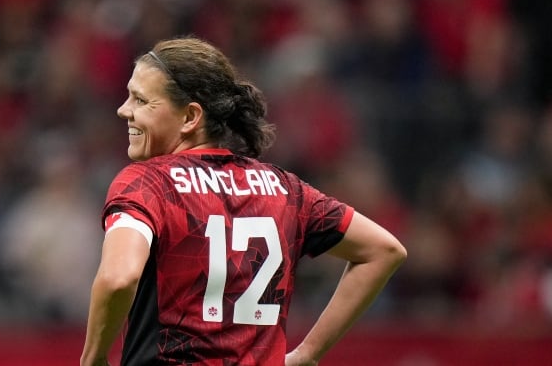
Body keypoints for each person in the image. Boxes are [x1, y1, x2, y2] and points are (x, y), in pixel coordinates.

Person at [80, 37, 407, 366]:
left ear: (190, 117)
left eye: (140, 100)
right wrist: (307, 355)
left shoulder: (148, 183)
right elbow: (383, 250)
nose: (124, 110)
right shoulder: (285, 189)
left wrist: (93, 359)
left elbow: (118, 278)